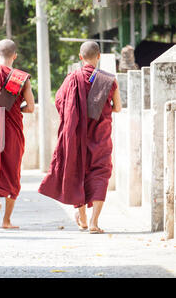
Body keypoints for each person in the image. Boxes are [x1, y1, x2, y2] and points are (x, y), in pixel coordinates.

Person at [38, 41, 122, 234]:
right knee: (100, 174)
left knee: (79, 172)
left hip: (76, 137)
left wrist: (74, 116)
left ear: (80, 56)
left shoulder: (72, 78)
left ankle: (82, 217)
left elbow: (59, 102)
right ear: (98, 56)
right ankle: (94, 222)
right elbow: (117, 107)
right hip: (100, 137)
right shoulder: (109, 80)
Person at [0, 39, 35, 229]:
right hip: (12, 132)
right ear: (15, 56)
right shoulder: (21, 78)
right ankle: (6, 220)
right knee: (12, 173)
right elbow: (31, 108)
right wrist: (15, 108)